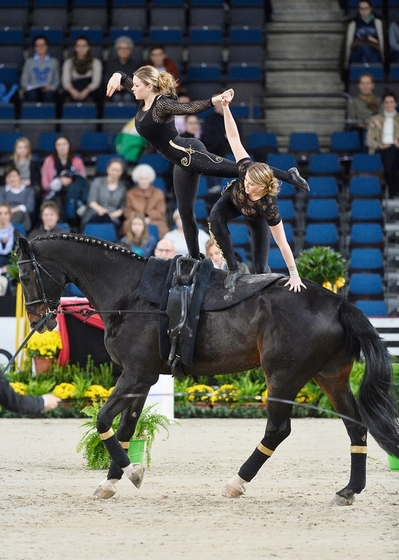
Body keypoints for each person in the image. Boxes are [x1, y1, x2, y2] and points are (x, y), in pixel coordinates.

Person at [106, 66, 309, 260]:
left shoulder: (160, 104)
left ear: (149, 87)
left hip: (189, 153)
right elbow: (125, 80)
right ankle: (195, 257)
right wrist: (117, 75)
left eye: (137, 85)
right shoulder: (144, 98)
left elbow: (188, 107)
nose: (132, 88)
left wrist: (217, 100)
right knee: (185, 212)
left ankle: (287, 175)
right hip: (180, 163)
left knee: (242, 169)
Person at [208, 90, 307, 291]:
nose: (246, 185)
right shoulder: (245, 168)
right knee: (215, 217)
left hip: (256, 216)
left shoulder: (269, 205)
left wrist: (294, 274)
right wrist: (226, 108)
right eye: (246, 181)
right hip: (233, 202)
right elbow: (233, 136)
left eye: (252, 184)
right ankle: (233, 269)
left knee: (261, 268)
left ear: (263, 187)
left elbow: (283, 244)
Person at [41, 135, 89, 224]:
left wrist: (71, 181)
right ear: (55, 147)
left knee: (78, 205)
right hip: (54, 193)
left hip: (73, 193)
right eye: (59, 145)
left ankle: (76, 228)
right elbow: (45, 185)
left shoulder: (77, 161)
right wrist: (59, 182)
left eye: (64, 144)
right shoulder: (49, 161)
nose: (62, 147)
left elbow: (83, 180)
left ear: (69, 145)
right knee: (54, 204)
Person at [366, 91, 399, 197]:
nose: (389, 104)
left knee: (392, 149)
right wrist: (380, 145)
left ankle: (387, 188)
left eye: (391, 102)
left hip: (396, 149)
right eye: (386, 102)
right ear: (383, 104)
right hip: (380, 149)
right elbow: (369, 140)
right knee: (390, 158)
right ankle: (393, 190)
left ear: (396, 104)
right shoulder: (375, 120)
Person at [122, 163, 168, 238]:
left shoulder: (158, 193)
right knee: (127, 225)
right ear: (137, 179)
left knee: (160, 228)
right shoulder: (131, 193)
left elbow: (160, 211)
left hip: (153, 220)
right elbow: (128, 211)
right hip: (135, 220)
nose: (144, 181)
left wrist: (148, 218)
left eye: (146, 178)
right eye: (141, 178)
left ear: (150, 179)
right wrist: (139, 219)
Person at [82, 157, 126, 229]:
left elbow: (122, 208)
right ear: (108, 169)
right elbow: (91, 201)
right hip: (95, 214)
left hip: (112, 218)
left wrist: (112, 215)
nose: (115, 173)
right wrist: (102, 211)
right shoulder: (97, 182)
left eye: (118, 170)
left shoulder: (123, 188)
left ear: (121, 172)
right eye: (113, 170)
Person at [61, 36, 102, 111]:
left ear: (88, 47)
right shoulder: (68, 62)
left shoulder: (96, 62)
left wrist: (86, 91)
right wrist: (72, 91)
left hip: (90, 89)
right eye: (78, 46)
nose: (81, 49)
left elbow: (96, 81)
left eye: (84, 46)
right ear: (75, 48)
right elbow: (66, 81)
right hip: (74, 88)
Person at [20, 35, 60, 103]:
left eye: (43, 45)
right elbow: (24, 81)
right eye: (38, 45)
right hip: (32, 91)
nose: (41, 47)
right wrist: (30, 88)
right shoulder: (29, 62)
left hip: (49, 90)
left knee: (49, 96)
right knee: (32, 96)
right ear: (35, 48)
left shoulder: (54, 62)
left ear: (47, 46)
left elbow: (57, 80)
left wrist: (51, 88)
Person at [344, 1, 384, 68]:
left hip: (373, 52)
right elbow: (349, 43)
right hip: (357, 53)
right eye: (361, 9)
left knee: (365, 53)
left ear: (371, 9)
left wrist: (377, 42)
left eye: (366, 8)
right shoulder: (353, 24)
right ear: (358, 10)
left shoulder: (378, 22)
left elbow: (383, 43)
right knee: (363, 48)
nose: (364, 11)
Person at [104, 36, 141, 102]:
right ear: (117, 50)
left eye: (126, 48)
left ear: (130, 50)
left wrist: (124, 86)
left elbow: (137, 82)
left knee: (128, 97)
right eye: (121, 48)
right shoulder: (111, 64)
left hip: (131, 92)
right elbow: (107, 80)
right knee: (116, 97)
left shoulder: (135, 65)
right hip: (113, 91)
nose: (124, 51)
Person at [0, 166, 35, 233]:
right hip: (4, 215)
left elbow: (30, 207)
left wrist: (17, 208)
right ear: (5, 179)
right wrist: (10, 211)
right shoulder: (1, 190)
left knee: (20, 213)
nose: (12, 179)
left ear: (19, 177)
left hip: (23, 218)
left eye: (14, 176)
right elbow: (1, 204)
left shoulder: (29, 191)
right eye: (9, 177)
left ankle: (6, 230)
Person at [0, 203, 15, 295]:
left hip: (12, 270)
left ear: (10, 215)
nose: (3, 216)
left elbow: (21, 255)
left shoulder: (17, 231)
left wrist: (11, 269)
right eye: (0, 213)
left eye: (6, 213)